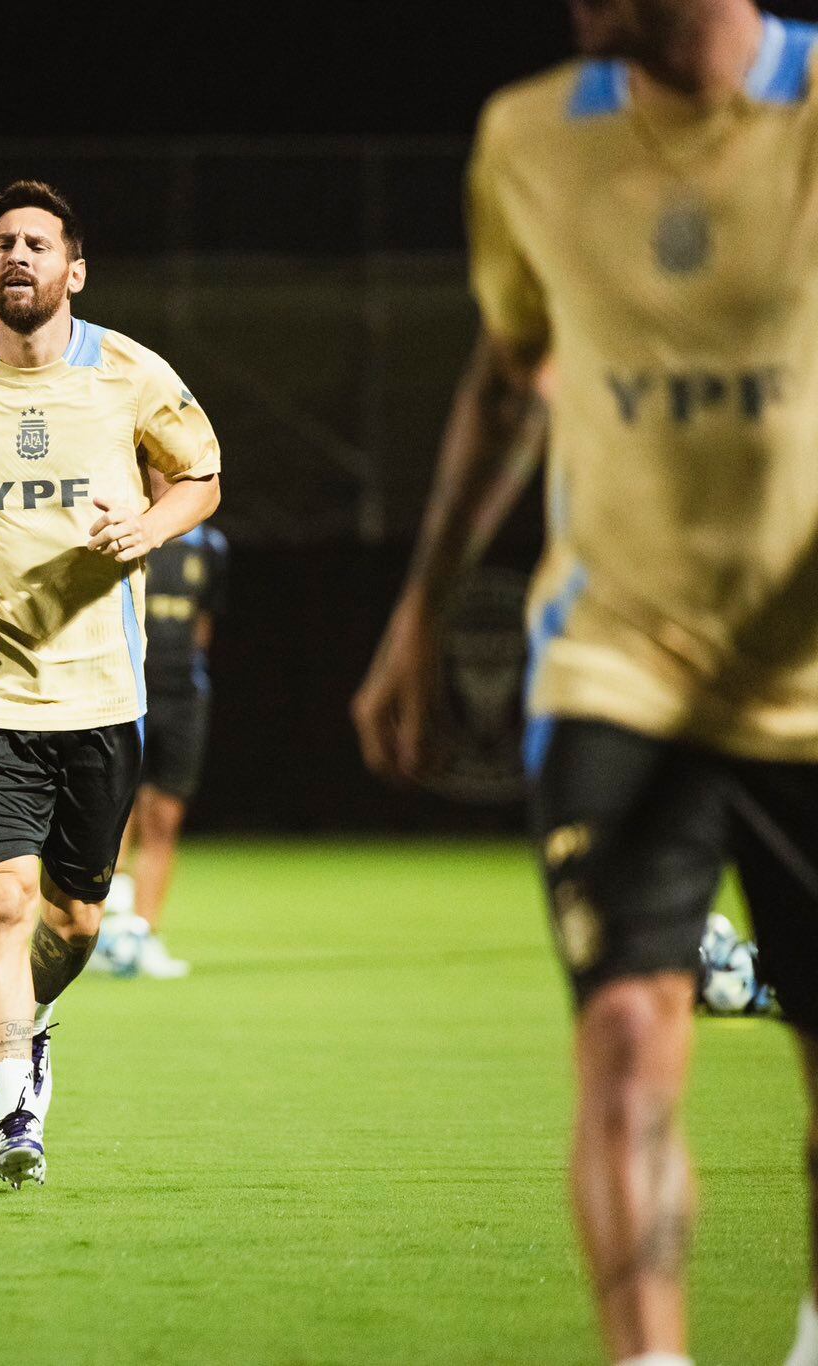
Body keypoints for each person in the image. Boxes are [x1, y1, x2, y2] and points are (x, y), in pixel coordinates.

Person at [351, 5, 818, 1362]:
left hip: (807, 673)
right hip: (615, 660)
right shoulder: (530, 139)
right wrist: (419, 613)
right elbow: (510, 380)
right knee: (625, 1029)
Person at [0, 180, 221, 1187]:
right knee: (1, 905)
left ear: (72, 270)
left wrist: (150, 526)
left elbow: (200, 475)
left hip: (97, 697)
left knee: (74, 920)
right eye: (2, 243)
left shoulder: (127, 373)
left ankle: (26, 1028)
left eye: (38, 242)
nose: (18, 256)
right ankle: (10, 1109)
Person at [100, 516, 229, 979]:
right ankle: (103, 933)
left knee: (165, 819)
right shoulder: (131, 532)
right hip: (125, 692)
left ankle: (145, 935)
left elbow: (204, 627)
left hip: (183, 698)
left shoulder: (211, 547)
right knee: (116, 814)